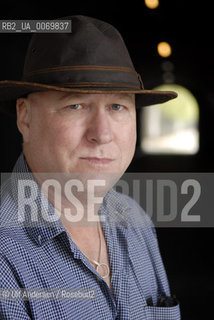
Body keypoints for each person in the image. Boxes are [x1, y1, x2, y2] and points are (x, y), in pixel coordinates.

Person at [0, 15, 181, 319]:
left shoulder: (135, 221)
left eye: (117, 106)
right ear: (25, 117)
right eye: (76, 105)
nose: (102, 133)